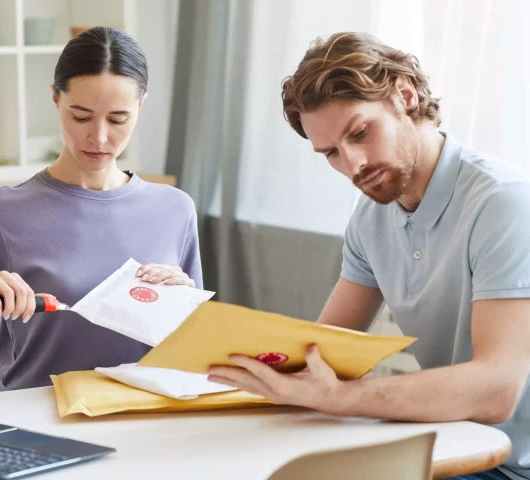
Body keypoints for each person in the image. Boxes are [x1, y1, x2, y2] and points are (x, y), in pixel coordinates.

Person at [207, 32, 530, 480]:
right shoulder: (371, 218)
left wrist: (338, 398)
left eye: (360, 133)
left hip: (508, 463)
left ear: (404, 94)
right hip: (446, 442)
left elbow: (498, 391)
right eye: (332, 154)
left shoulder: (503, 202)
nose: (354, 165)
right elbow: (325, 353)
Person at [0, 26, 202, 390]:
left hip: (152, 418)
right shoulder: (0, 213)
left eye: (118, 119)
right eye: (81, 116)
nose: (100, 137)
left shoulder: (175, 209)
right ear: (56, 99)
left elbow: (194, 353)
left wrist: (186, 306)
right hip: (43, 422)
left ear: (140, 107)